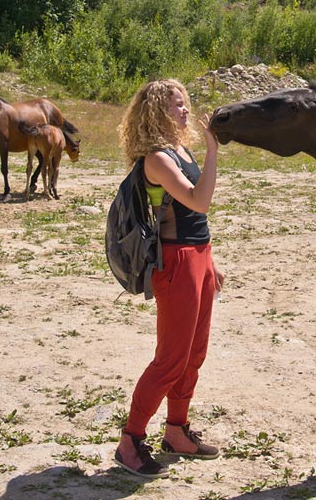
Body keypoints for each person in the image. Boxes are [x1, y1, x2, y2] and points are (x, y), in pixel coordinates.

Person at [114, 78, 225, 477]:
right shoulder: (157, 159)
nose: (184, 110)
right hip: (175, 264)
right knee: (170, 361)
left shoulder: (180, 149)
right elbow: (200, 200)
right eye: (176, 105)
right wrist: (214, 150)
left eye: (184, 103)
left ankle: (176, 430)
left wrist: (210, 260)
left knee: (194, 354)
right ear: (157, 111)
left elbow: (195, 217)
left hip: (198, 256)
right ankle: (130, 441)